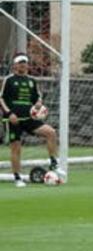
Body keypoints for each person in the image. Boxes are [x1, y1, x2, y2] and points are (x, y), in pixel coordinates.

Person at [0, 53, 60, 188]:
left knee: (50, 132)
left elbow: (37, 98)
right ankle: (17, 178)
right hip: (13, 118)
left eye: (25, 62)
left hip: (29, 117)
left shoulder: (32, 81)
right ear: (15, 65)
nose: (23, 64)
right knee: (16, 147)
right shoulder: (9, 80)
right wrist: (9, 114)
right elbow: (1, 98)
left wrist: (38, 104)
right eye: (21, 62)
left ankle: (54, 164)